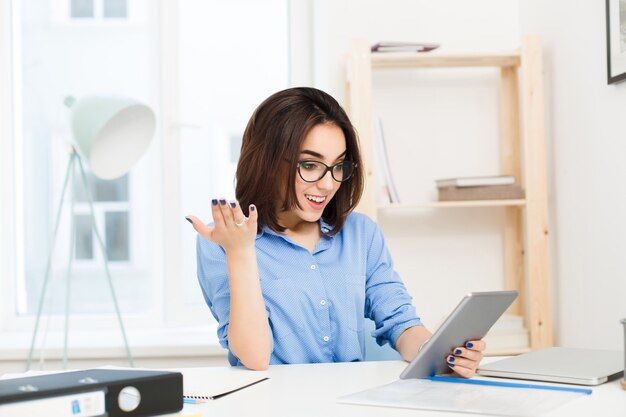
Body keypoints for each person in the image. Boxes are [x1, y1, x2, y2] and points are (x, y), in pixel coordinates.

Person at [186, 87, 485, 375]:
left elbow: (401, 323)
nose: (329, 184)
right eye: (311, 165)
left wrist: (444, 355)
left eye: (339, 166)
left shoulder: (361, 234)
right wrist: (240, 253)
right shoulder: (223, 240)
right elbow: (253, 357)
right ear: (268, 162)